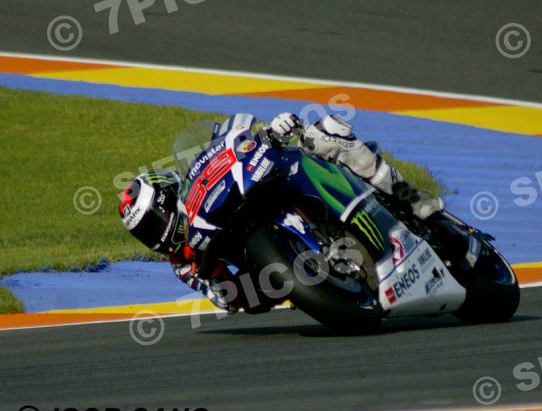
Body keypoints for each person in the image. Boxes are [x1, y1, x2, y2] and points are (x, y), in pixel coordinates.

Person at [118, 113, 443, 314]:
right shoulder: (185, 265)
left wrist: (268, 133)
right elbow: (238, 300)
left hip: (282, 178)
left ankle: (413, 199)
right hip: (285, 274)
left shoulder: (198, 192)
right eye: (147, 232)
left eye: (155, 220)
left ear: (173, 195)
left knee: (324, 134)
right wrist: (225, 294)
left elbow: (234, 138)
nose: (157, 233)